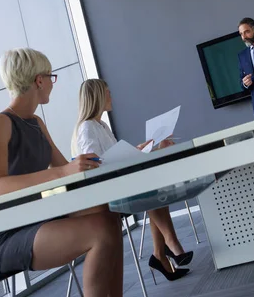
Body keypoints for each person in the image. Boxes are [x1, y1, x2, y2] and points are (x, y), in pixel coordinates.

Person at [0, 48, 124, 297]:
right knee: (101, 231)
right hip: (6, 236)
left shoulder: (36, 123)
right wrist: (62, 172)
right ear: (39, 80)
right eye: (51, 77)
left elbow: (64, 170)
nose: (51, 84)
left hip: (39, 218)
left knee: (110, 215)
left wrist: (87, 165)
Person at [72, 79, 192, 282]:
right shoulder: (86, 128)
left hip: (119, 183)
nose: (111, 97)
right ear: (98, 97)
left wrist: (141, 148)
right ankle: (170, 244)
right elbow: (93, 164)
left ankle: (160, 254)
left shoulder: (101, 125)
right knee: (151, 189)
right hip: (105, 194)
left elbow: (112, 156)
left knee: (154, 189)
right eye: (108, 93)